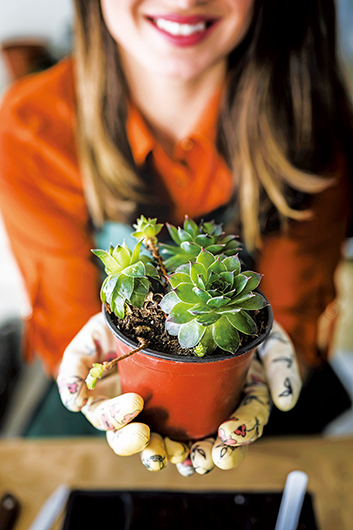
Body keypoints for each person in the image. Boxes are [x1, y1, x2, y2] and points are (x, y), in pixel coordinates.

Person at [0, 0, 352, 473]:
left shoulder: (311, 122)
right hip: (107, 387)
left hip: (253, 386)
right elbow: (69, 323)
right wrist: (113, 379)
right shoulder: (34, 126)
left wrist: (250, 366)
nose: (185, 0)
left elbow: (292, 307)